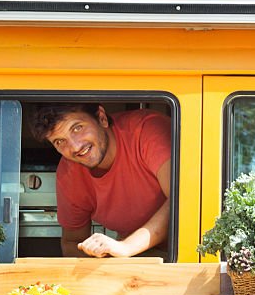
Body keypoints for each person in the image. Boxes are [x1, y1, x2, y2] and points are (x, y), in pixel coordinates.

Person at [29, 103, 171, 258]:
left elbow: (183, 198)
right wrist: (101, 257)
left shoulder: (146, 130)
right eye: (60, 141)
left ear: (101, 118)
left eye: (77, 128)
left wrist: (126, 247)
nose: (75, 147)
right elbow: (72, 242)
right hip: (136, 257)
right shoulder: (69, 173)